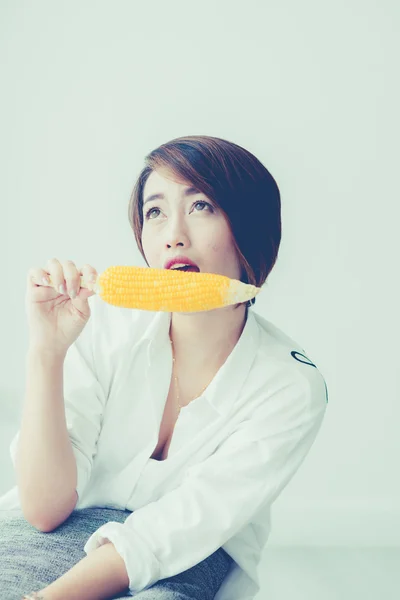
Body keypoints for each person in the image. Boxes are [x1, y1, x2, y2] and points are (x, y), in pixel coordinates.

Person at [0, 135, 328, 599]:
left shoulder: (291, 386)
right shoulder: (101, 324)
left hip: (193, 555)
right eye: (155, 211)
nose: (174, 233)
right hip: (69, 521)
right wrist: (46, 352)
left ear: (250, 230)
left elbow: (179, 529)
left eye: (202, 206)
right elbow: (43, 510)